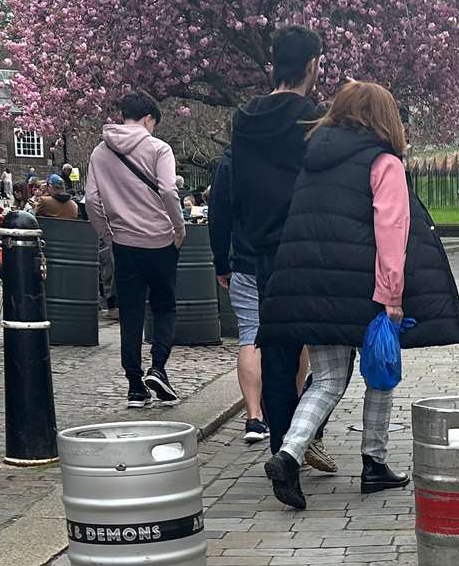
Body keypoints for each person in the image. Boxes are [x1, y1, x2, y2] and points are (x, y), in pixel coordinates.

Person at [259, 81, 459, 510]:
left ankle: (289, 453)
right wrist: (392, 296)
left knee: (329, 380)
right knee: (381, 372)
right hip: (366, 289)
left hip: (314, 289)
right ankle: (374, 462)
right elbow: (391, 233)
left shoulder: (314, 160)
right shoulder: (384, 162)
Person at [209, 26, 328, 450]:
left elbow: (228, 191)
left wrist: (221, 257)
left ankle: (283, 442)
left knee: (273, 346)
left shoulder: (243, 121)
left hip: (257, 251)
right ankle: (301, 433)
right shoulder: (312, 119)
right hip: (303, 246)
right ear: (312, 65)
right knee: (319, 352)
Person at [88, 91, 187, 408]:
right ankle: (158, 368)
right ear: (148, 118)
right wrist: (178, 229)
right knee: (164, 307)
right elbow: (170, 190)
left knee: (130, 313)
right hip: (160, 241)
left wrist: (108, 233)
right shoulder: (159, 149)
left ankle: (134, 385)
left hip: (124, 243)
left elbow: (91, 200)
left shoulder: (100, 153)